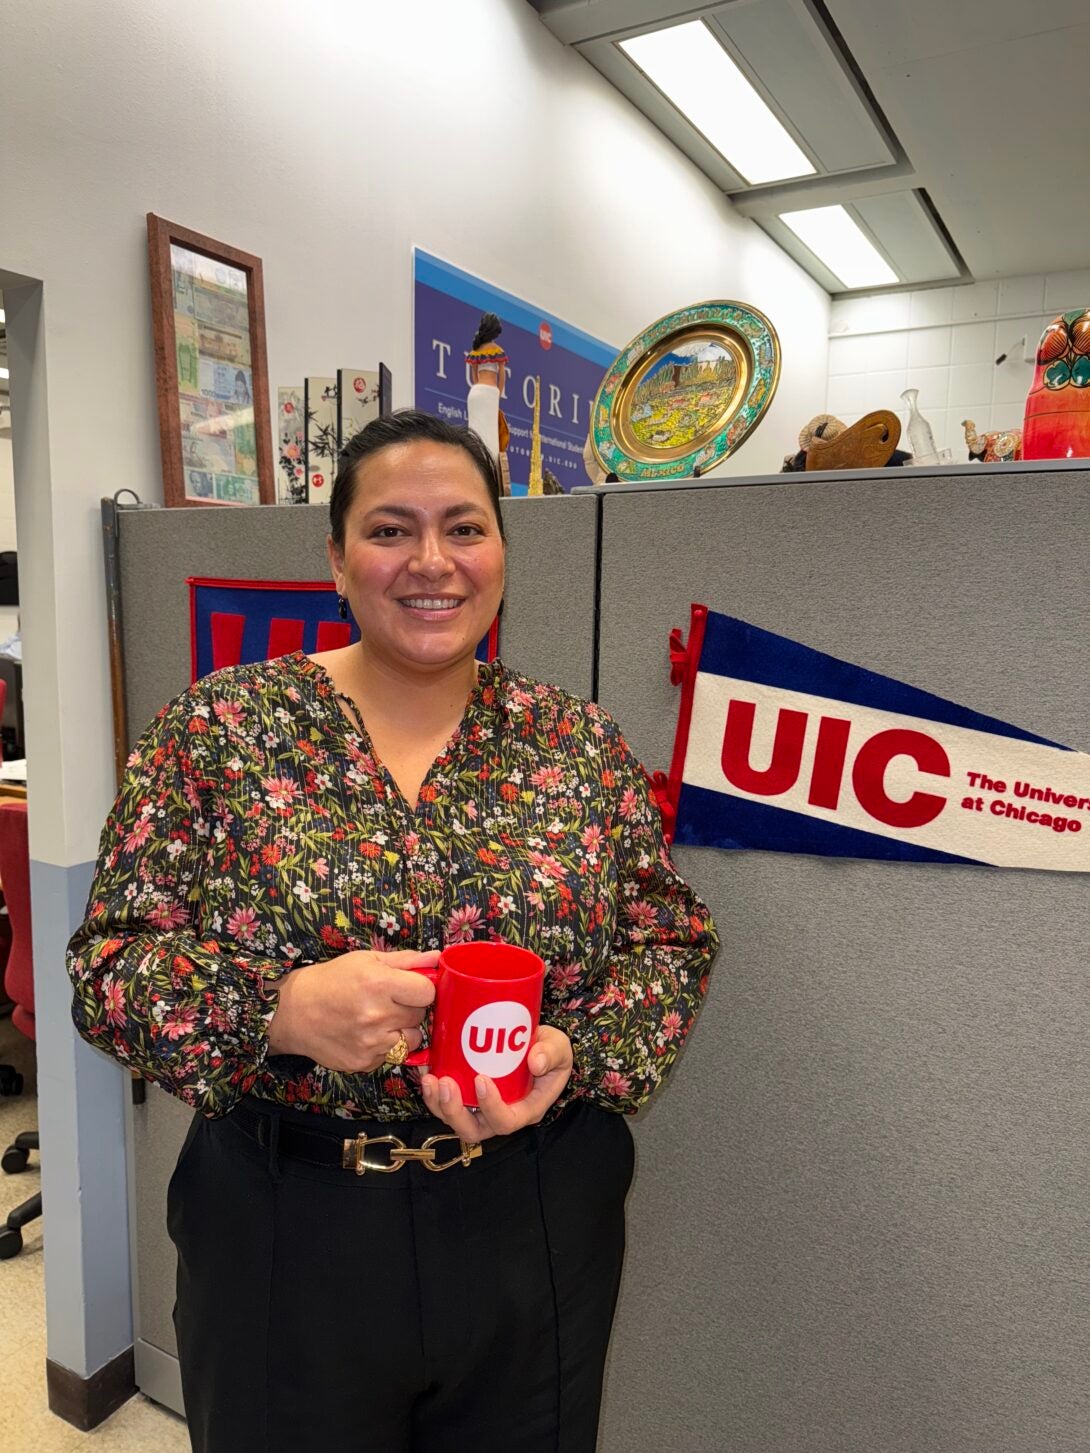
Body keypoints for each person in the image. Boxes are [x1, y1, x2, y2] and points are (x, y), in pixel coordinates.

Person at [67, 409, 719, 1453]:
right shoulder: (221, 729)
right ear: (335, 557)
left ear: (502, 550)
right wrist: (272, 1010)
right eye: (389, 530)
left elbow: (666, 942)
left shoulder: (576, 741)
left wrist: (572, 1048)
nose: (431, 562)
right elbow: (108, 966)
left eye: (464, 528)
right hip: (289, 1219)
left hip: (532, 1212)